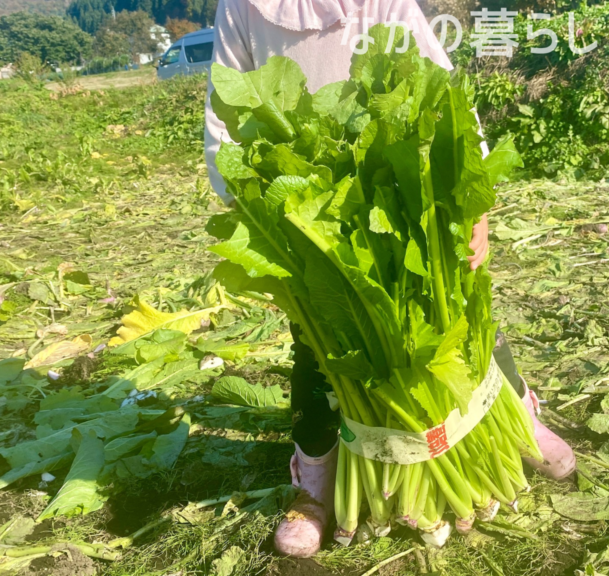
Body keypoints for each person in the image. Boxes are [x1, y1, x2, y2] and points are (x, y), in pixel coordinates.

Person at [204, 0, 576, 558]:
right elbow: (223, 114)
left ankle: (517, 419)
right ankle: (317, 484)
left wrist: (472, 202)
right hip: (304, 200)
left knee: (460, 317)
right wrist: (259, 214)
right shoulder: (243, 6)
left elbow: (440, 83)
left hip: (391, 180)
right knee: (322, 345)